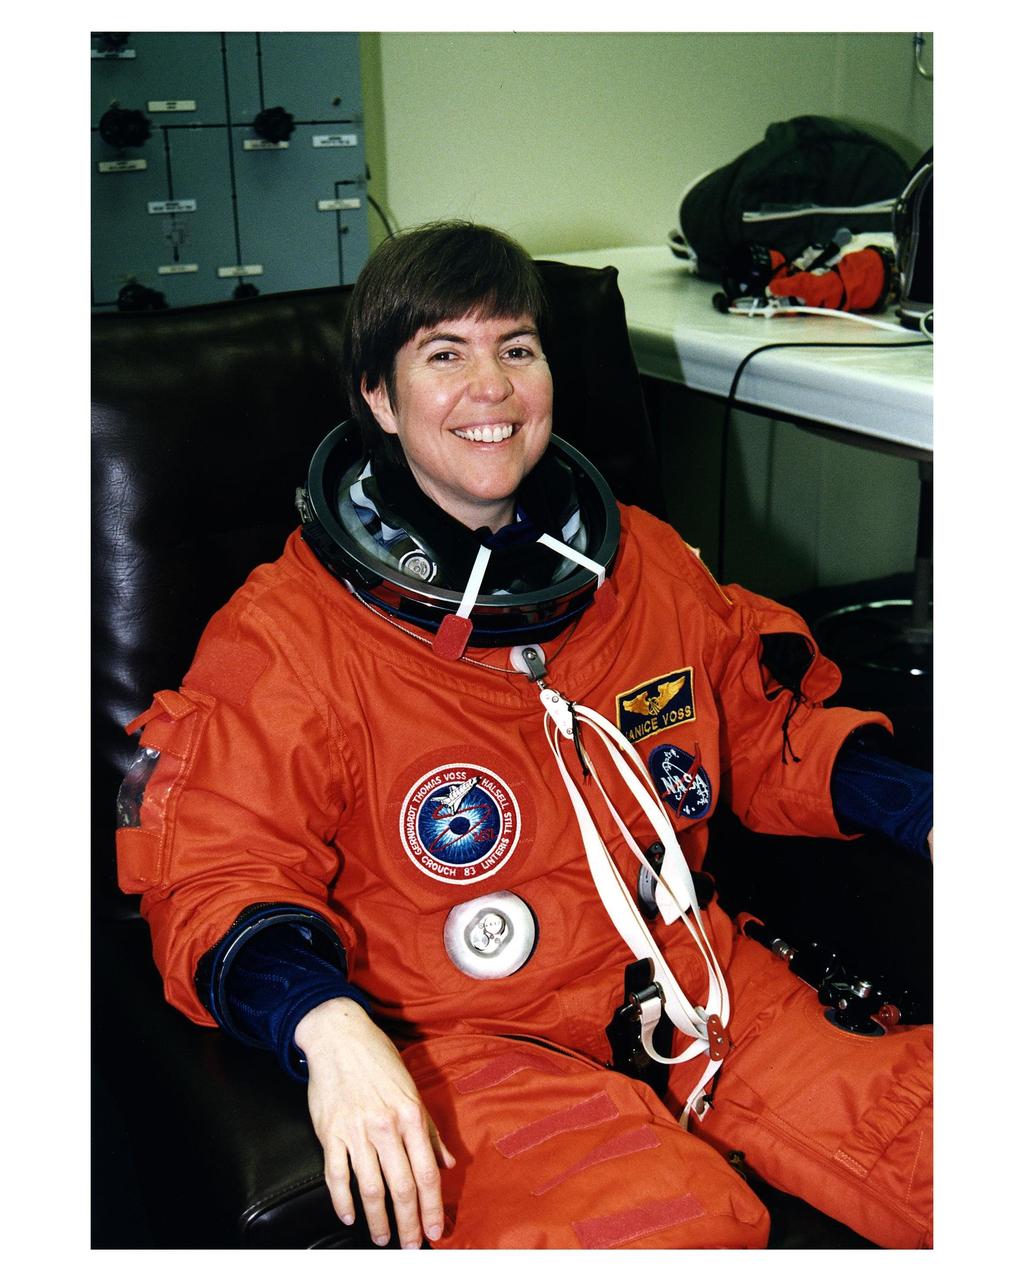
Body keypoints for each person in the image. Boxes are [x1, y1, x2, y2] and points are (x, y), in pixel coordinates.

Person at [116, 220, 933, 1250]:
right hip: (473, 1053)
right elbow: (216, 868)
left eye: (517, 347)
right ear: (378, 392)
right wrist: (325, 1025)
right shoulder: (287, 637)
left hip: (705, 986)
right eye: (443, 354)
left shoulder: (641, 563)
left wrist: (933, 809)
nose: (491, 387)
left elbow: (765, 735)